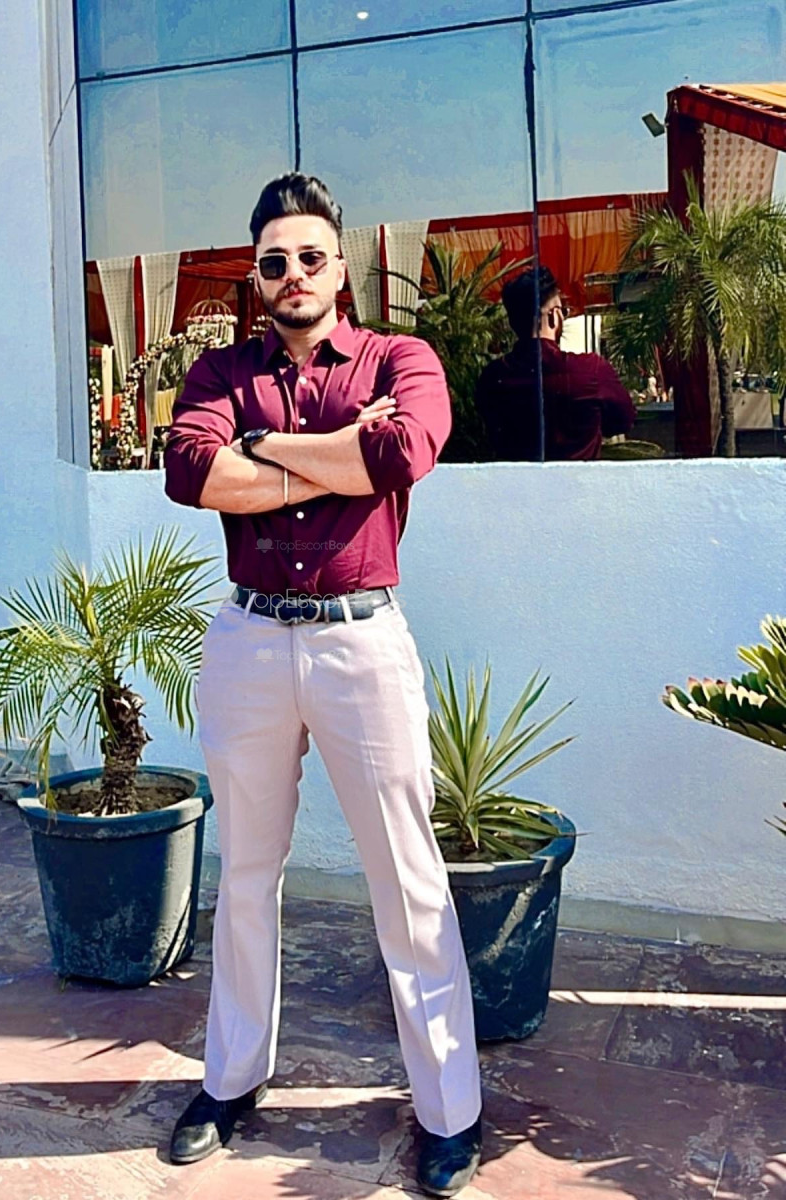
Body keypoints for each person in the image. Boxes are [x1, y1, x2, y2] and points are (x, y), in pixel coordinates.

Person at [163, 173, 484, 1197]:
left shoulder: (401, 359)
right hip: (250, 641)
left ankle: (449, 1111)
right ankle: (230, 1082)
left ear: (341, 267)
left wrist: (264, 450)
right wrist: (337, 458)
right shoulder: (219, 370)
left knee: (407, 877)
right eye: (275, 261)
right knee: (246, 874)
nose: (294, 273)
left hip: (361, 641)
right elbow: (193, 472)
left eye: (311, 256)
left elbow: (403, 448)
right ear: (256, 278)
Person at [477, 266, 635, 460]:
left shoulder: (493, 377)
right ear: (553, 316)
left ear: (513, 323)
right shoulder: (591, 371)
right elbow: (623, 421)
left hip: (516, 479)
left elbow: (489, 428)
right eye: (563, 311)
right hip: (580, 479)